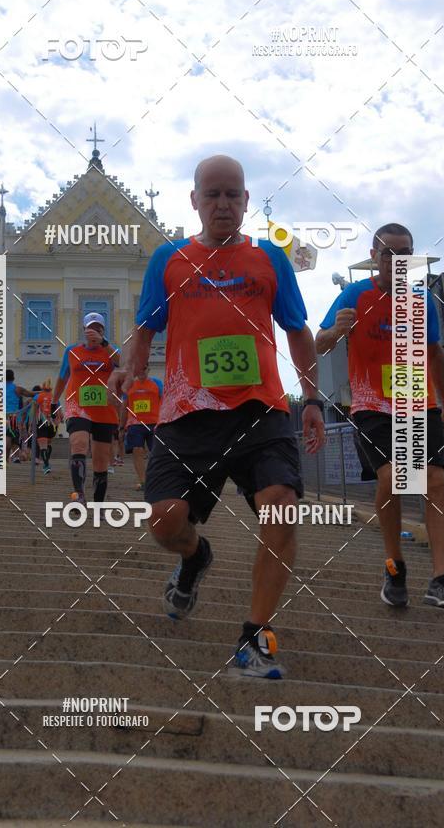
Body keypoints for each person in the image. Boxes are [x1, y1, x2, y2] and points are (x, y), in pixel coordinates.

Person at [109, 155, 325, 679]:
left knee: (281, 506)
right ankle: (194, 557)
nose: (224, 204)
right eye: (213, 195)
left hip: (260, 409)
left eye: (234, 194)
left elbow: (297, 330)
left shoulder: (270, 260)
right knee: (165, 523)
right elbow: (145, 328)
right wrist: (131, 371)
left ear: (247, 201)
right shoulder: (169, 259)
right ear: (195, 201)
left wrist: (313, 399)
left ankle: (254, 637)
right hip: (188, 413)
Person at [316, 223, 444, 611]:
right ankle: (394, 563)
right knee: (394, 477)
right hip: (371, 405)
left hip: (417, 402)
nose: (396, 262)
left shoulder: (421, 302)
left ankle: (441, 578)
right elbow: (318, 343)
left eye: (405, 254)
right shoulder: (354, 294)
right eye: (389, 254)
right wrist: (336, 329)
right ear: (375, 256)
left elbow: (435, 355)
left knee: (433, 481)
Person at [51, 312, 120, 514]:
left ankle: (98, 504)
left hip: (104, 409)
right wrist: (54, 402)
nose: (94, 331)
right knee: (79, 443)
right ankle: (79, 497)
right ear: (84, 330)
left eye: (99, 328)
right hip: (77, 405)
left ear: (104, 331)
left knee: (100, 459)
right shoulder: (72, 351)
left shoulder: (111, 351)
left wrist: (104, 343)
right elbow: (63, 377)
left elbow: (125, 364)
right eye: (91, 328)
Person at [120, 364, 163, 490]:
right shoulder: (129, 386)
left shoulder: (157, 383)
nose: (142, 371)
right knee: (137, 450)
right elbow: (124, 407)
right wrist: (121, 428)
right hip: (135, 424)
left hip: (154, 424)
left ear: (148, 369)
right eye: (139, 369)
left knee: (156, 453)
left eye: (144, 368)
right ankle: (143, 481)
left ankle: (154, 480)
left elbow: (164, 401)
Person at [5, 369, 34, 463]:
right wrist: (43, 392)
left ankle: (11, 458)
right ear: (13, 378)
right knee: (12, 438)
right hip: (13, 418)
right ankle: (12, 458)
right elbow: (30, 394)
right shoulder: (17, 389)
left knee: (10, 438)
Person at [33, 380, 57, 475]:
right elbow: (59, 412)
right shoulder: (55, 397)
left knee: (43, 446)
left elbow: (33, 411)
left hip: (41, 423)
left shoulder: (37, 396)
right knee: (49, 444)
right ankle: (46, 464)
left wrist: (31, 424)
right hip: (52, 424)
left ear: (42, 387)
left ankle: (46, 465)